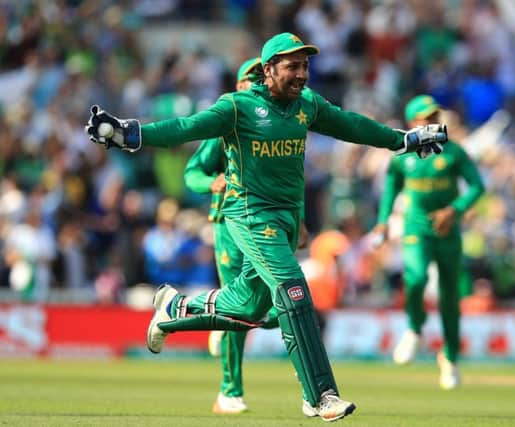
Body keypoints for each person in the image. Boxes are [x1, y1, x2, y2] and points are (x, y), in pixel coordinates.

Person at [85, 32, 448, 422]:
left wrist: (403, 140)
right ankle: (320, 395)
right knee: (294, 291)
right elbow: (184, 127)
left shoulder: (306, 106)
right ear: (269, 69)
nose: (302, 74)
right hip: (250, 216)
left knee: (250, 306)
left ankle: (175, 308)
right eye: (292, 66)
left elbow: (353, 125)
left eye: (305, 65)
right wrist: (130, 134)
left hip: (286, 222)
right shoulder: (238, 107)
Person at [183, 57, 279, 414]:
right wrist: (213, 182)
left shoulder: (280, 122)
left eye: (260, 78)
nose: (255, 85)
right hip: (228, 223)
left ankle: (217, 314)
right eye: (248, 79)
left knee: (274, 305)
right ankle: (230, 391)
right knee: (242, 305)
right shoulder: (229, 121)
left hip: (269, 224)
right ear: (238, 86)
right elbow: (192, 172)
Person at [372, 95, 484, 390]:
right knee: (416, 277)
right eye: (425, 118)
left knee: (449, 297)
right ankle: (414, 328)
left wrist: (454, 210)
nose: (432, 122)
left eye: (434, 116)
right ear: (412, 123)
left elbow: (477, 186)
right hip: (416, 227)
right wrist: (383, 221)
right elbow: (391, 188)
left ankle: (450, 357)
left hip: (448, 231)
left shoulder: (453, 151)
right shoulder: (402, 155)